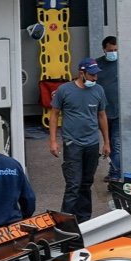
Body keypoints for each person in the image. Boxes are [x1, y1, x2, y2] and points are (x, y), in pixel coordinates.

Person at [49, 59, 109, 224]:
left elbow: (102, 116)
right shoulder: (64, 90)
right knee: (73, 185)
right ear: (81, 73)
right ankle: (64, 223)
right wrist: (53, 141)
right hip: (72, 144)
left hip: (92, 144)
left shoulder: (98, 90)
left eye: (96, 74)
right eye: (91, 74)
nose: (95, 78)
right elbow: (54, 114)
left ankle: (84, 220)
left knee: (86, 183)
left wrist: (107, 142)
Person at [97, 35, 131, 180]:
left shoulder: (126, 63)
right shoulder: (96, 65)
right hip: (101, 113)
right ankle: (115, 170)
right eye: (110, 50)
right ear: (104, 50)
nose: (113, 52)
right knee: (108, 143)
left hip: (120, 112)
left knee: (115, 143)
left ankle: (115, 173)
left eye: (115, 50)